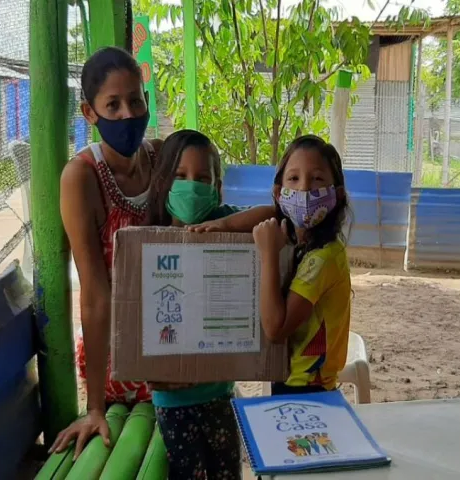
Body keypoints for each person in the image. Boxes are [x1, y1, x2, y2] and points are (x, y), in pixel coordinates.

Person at [51, 46, 161, 458]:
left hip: (168, 331)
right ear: (89, 112)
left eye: (135, 100)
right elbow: (95, 294)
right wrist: (95, 407)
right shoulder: (81, 177)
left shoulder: (160, 157)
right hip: (119, 353)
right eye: (111, 105)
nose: (127, 114)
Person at [146, 129, 273, 479]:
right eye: (181, 176)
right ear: (162, 183)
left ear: (217, 187)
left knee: (227, 472)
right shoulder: (147, 238)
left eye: (203, 178)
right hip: (172, 402)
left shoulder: (223, 218)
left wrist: (224, 223)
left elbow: (275, 214)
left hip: (221, 395)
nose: (192, 186)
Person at [252, 135, 352, 396]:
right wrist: (222, 224)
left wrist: (268, 255)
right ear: (279, 193)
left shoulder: (323, 258)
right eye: (293, 179)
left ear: (337, 194)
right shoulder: (302, 242)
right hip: (290, 379)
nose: (304, 190)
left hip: (307, 389)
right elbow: (267, 214)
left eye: (317, 179)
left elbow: (275, 329)